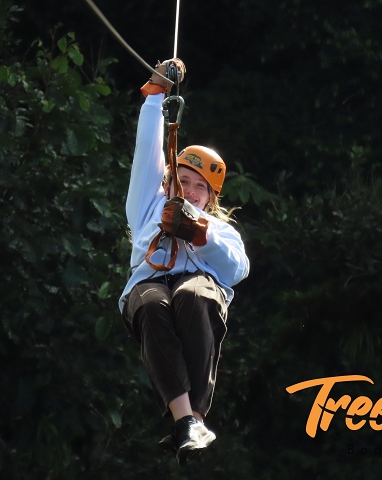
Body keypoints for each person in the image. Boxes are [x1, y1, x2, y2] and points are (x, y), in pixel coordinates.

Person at [118, 58, 250, 466]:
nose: (190, 191)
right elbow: (147, 150)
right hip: (149, 283)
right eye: (184, 180)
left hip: (199, 284)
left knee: (193, 296)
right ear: (169, 180)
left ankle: (194, 419)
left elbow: (236, 269)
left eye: (200, 187)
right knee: (152, 305)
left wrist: (200, 235)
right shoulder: (149, 205)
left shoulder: (219, 229)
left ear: (210, 198)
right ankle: (186, 421)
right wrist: (155, 95)